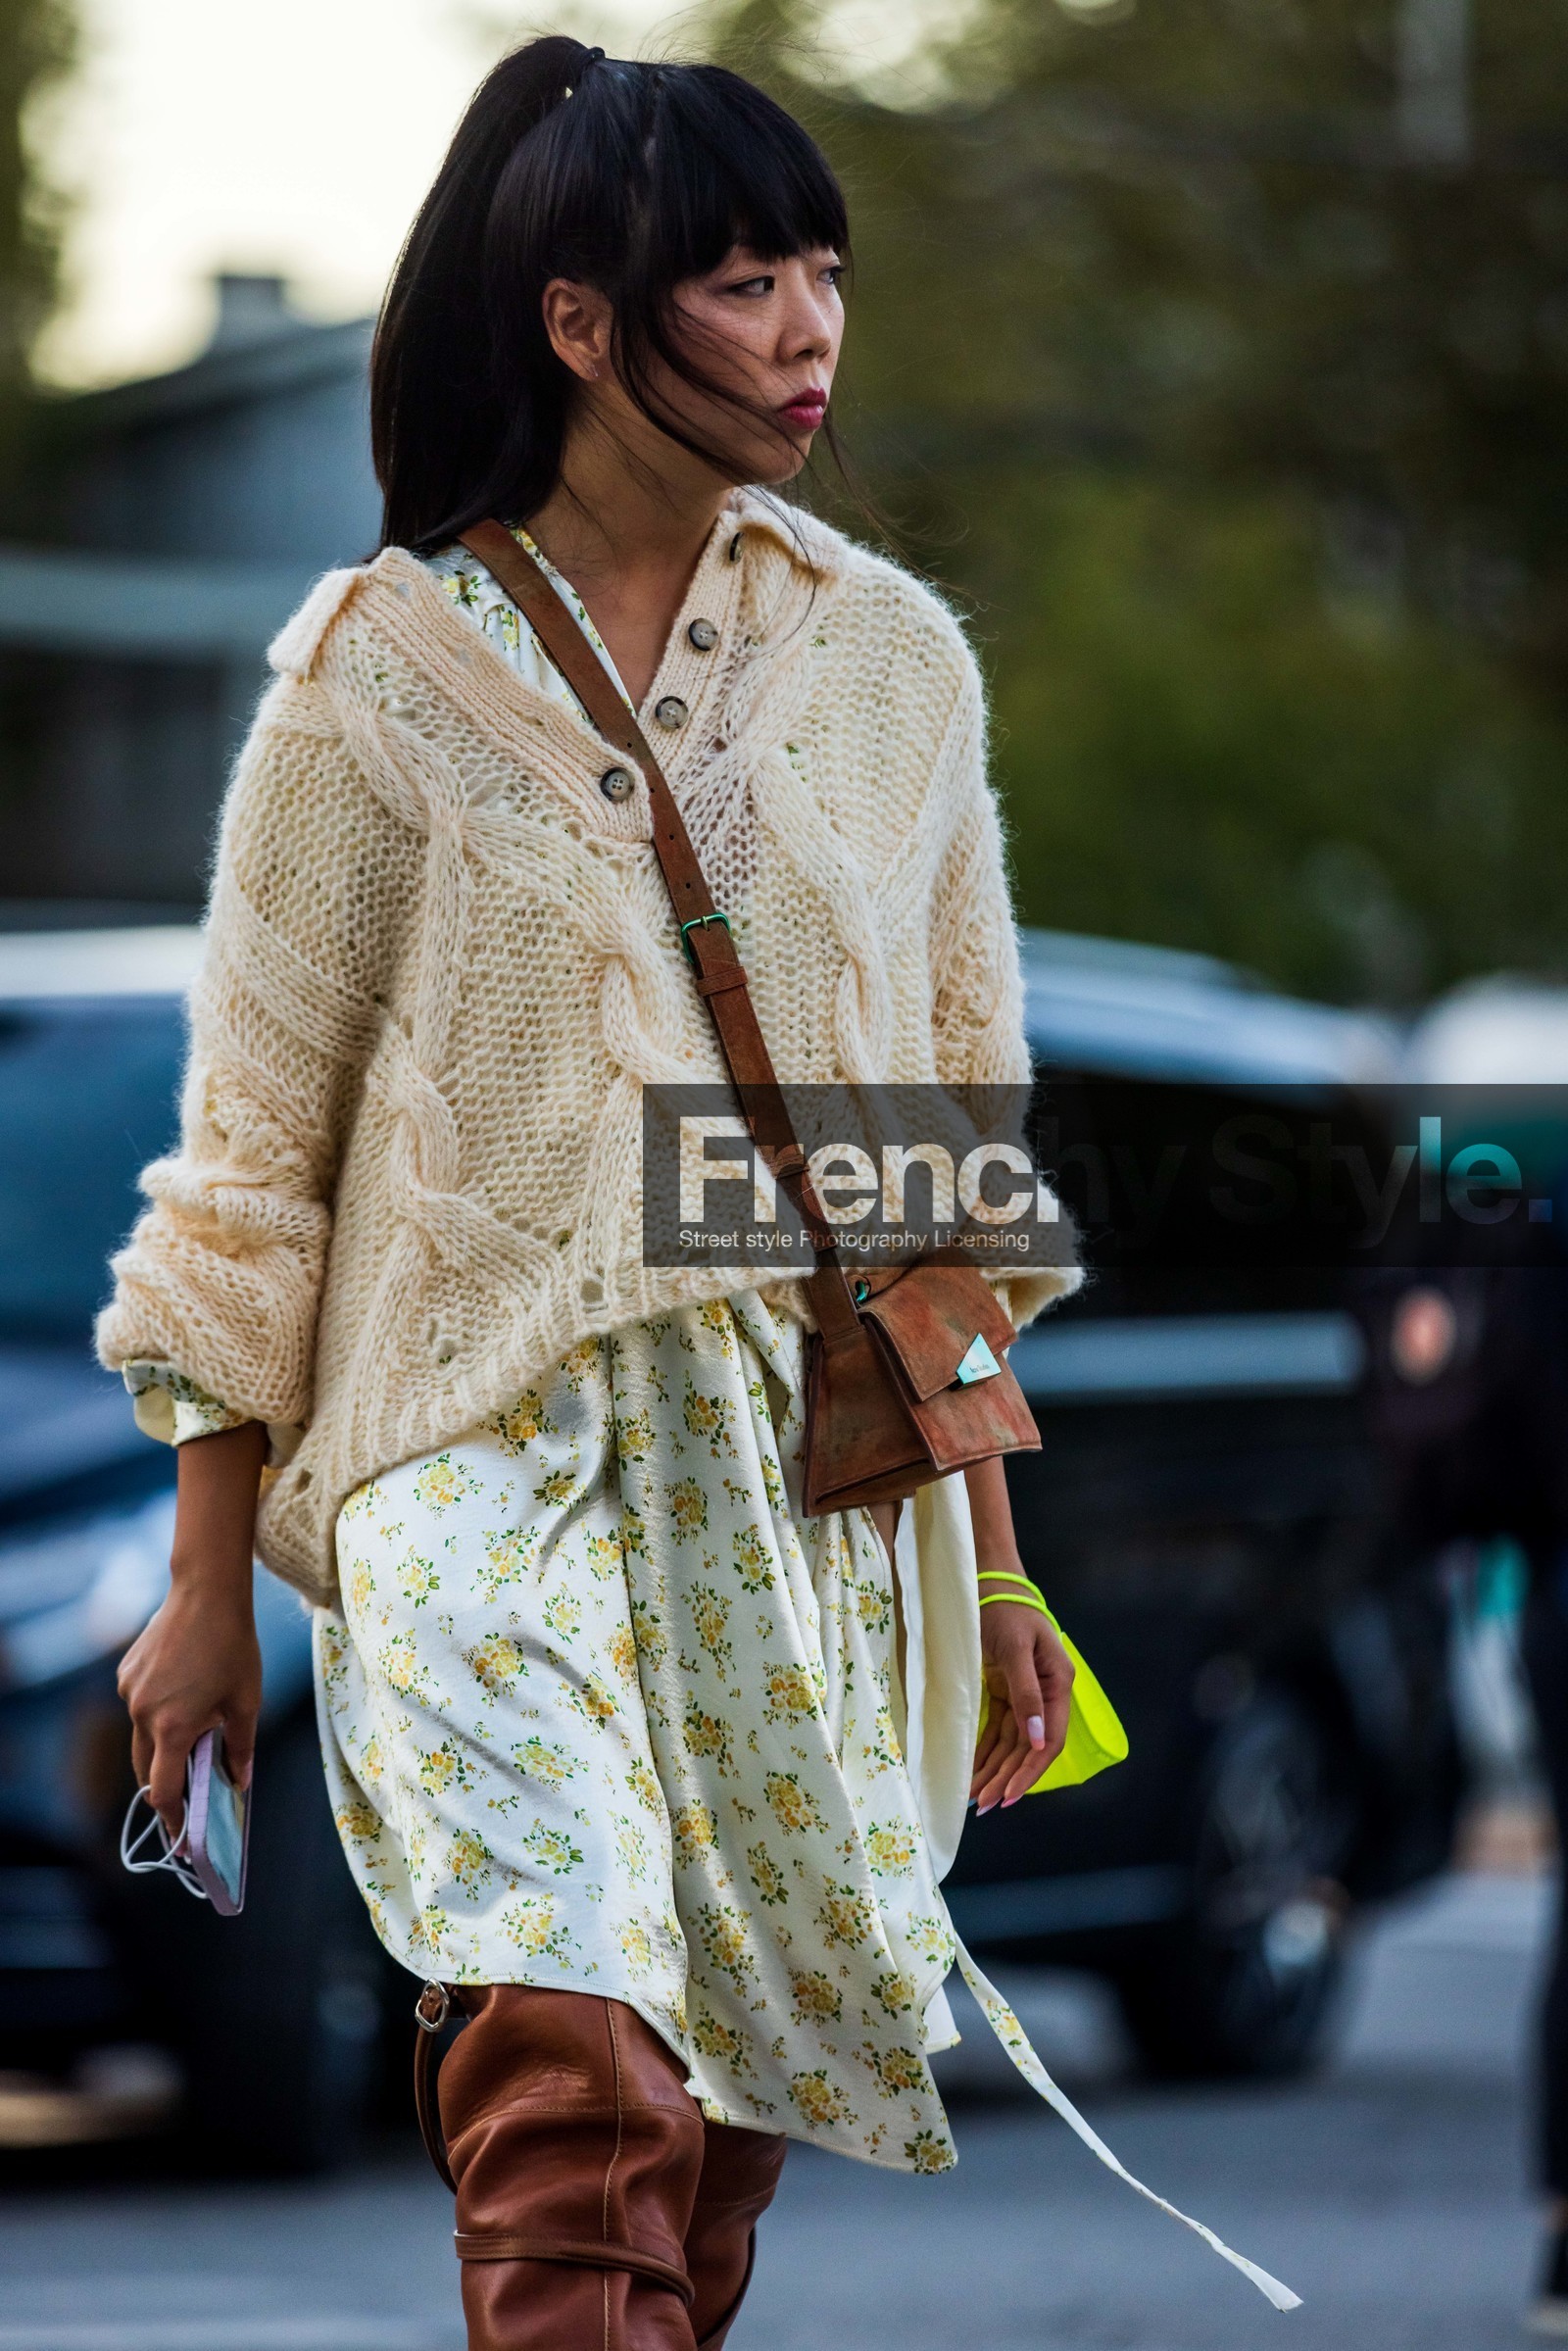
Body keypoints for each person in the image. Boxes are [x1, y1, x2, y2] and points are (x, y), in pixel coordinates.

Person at [100, 38, 1294, 2349]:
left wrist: (998, 1563)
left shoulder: (889, 671)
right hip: (473, 1452)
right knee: (574, 2074)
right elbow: (255, 1160)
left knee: (712, 2127)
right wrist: (205, 1592)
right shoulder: (371, 681)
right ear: (576, 319)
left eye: (822, 275)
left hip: (796, 1470)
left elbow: (933, 1147)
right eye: (744, 283)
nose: (808, 332)